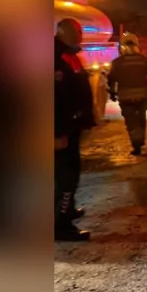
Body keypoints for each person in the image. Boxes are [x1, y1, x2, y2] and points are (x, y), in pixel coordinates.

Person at [55, 18, 95, 241]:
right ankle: (60, 226)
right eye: (76, 32)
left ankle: (67, 209)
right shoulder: (55, 59)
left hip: (71, 126)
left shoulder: (70, 56)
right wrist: (57, 132)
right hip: (61, 129)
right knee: (64, 178)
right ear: (61, 33)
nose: (80, 36)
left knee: (71, 172)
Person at [107, 32, 147, 156]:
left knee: (130, 121)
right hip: (142, 96)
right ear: (137, 45)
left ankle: (136, 144)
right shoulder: (145, 60)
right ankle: (140, 140)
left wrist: (112, 93)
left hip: (125, 97)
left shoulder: (117, 62)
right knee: (141, 119)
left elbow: (111, 80)